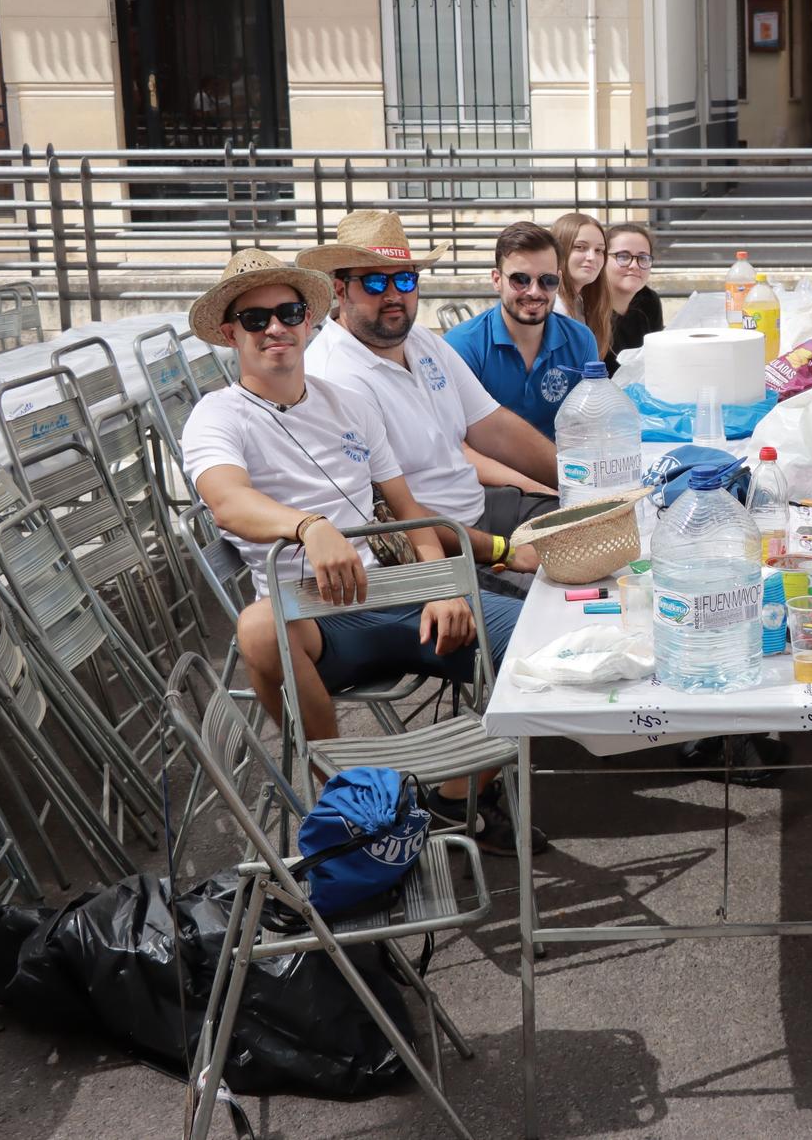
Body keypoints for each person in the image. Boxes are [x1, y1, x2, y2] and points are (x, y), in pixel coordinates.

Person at [178, 248, 543, 854]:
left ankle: (454, 795)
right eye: (255, 319)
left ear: (306, 320)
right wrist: (308, 528)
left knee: (543, 644)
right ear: (229, 333)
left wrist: (442, 584)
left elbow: (408, 511)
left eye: (288, 312)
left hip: (392, 596)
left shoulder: (345, 401)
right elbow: (228, 501)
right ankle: (345, 799)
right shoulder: (216, 415)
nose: (275, 328)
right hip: (315, 624)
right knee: (258, 627)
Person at [302, 212, 561, 582]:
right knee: (557, 597)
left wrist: (574, 477)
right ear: (339, 289)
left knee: (586, 521)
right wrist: (504, 550)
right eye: (375, 281)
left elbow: (494, 426)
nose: (394, 294)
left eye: (406, 279)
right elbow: (393, 513)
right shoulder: (334, 376)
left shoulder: (419, 339)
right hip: (440, 550)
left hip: (480, 508)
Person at [444, 221, 602, 437]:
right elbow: (458, 444)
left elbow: (588, 429)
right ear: (497, 280)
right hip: (492, 470)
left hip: (563, 468)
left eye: (547, 280)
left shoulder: (581, 340)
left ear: (559, 280)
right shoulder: (462, 345)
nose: (534, 292)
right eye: (520, 280)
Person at [600, 222, 663, 369]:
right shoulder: (585, 307)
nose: (634, 265)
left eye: (643, 258)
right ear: (601, 259)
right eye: (623, 256)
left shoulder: (649, 301)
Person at [552, 211, 612, 354]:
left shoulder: (582, 302)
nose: (592, 257)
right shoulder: (551, 307)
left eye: (599, 250)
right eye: (580, 247)